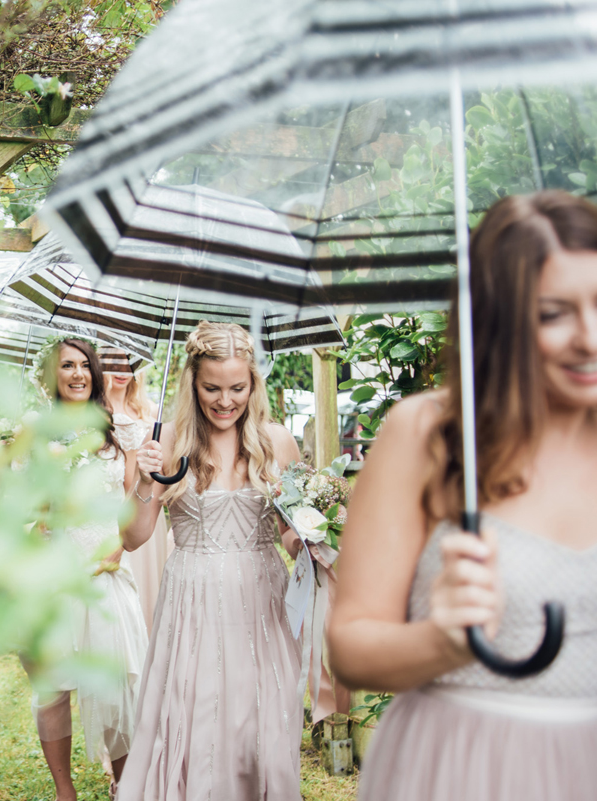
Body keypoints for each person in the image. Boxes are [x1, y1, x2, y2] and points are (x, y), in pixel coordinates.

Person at [327, 191, 597, 800]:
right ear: (499, 319)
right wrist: (441, 640)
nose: (590, 337)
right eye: (554, 314)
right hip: (463, 766)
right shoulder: (431, 434)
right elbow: (350, 647)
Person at [117, 321, 304, 801]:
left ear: (253, 384)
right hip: (193, 601)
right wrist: (143, 479)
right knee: (195, 718)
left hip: (262, 601)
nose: (225, 401)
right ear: (191, 383)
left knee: (259, 724)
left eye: (237, 388)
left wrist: (316, 534)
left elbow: (291, 537)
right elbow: (134, 537)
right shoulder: (166, 443)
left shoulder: (276, 442)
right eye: (212, 388)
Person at [25, 337, 149, 801]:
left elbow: (134, 499)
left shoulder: (122, 431)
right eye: (66, 366)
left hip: (105, 571)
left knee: (115, 681)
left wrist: (119, 544)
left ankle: (124, 784)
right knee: (53, 687)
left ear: (95, 373)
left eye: (84, 366)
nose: (77, 374)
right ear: (52, 375)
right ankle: (65, 790)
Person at [99, 346, 174, 628]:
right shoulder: (96, 412)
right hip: (116, 512)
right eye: (112, 362)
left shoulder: (151, 411)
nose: (122, 370)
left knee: (150, 589)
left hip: (147, 511)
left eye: (128, 361)